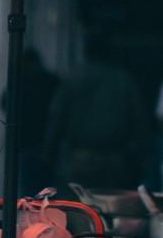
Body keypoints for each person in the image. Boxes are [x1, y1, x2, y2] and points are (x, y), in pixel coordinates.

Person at [44, 40, 148, 191]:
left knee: (79, 210)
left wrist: (48, 154)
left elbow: (56, 118)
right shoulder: (123, 80)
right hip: (114, 160)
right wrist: (143, 159)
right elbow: (140, 123)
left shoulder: (73, 79)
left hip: (80, 159)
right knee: (111, 209)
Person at [0, 47, 58, 195]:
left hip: (30, 141)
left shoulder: (21, 82)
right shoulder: (50, 82)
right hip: (44, 141)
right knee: (46, 188)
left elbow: (4, 103)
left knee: (31, 189)